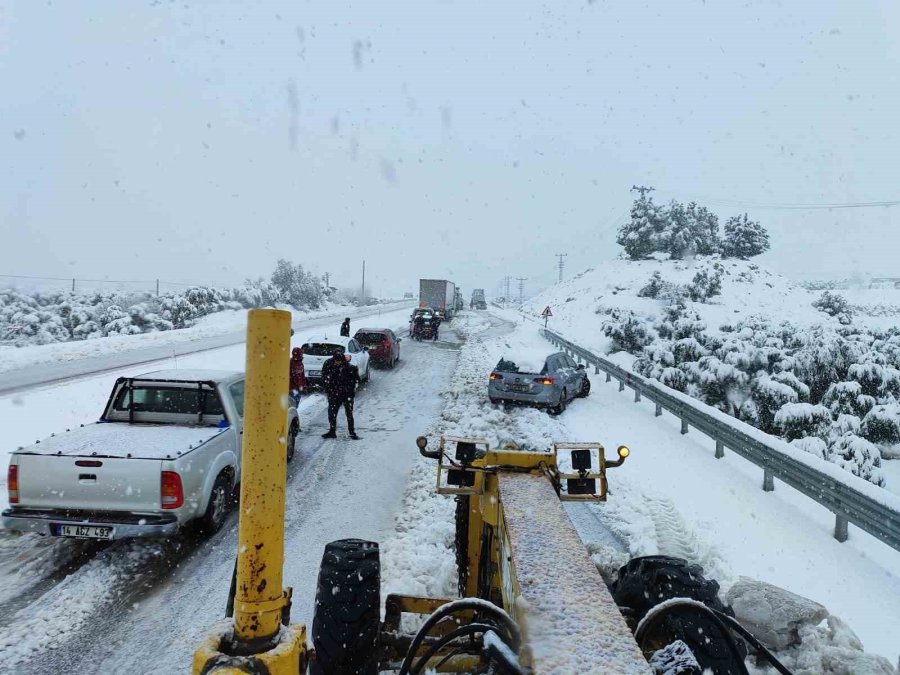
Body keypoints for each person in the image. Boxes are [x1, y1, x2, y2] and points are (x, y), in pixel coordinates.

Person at [321, 346, 359, 439]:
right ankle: (332, 431)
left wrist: (351, 390)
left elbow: (356, 380)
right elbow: (324, 377)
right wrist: (328, 387)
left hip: (347, 394)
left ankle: (352, 432)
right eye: (336, 360)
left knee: (349, 413)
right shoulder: (328, 364)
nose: (337, 362)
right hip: (334, 393)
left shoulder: (350, 367)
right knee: (332, 413)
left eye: (339, 361)